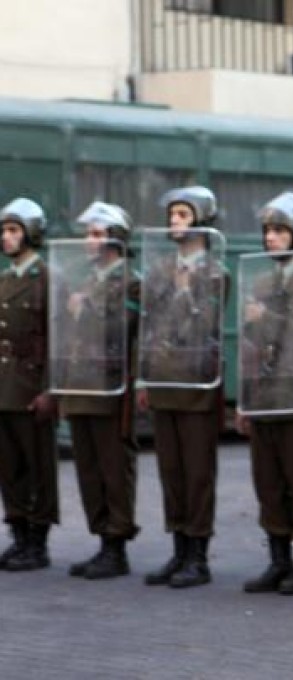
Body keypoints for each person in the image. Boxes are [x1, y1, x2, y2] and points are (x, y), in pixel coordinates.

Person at [137, 186, 228, 589]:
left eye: (183, 215)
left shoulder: (214, 273)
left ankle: (198, 555)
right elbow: (149, 326)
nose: (174, 221)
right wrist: (144, 376)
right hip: (163, 379)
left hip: (195, 384)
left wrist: (187, 289)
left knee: (196, 473)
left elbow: (202, 327)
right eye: (172, 214)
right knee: (170, 470)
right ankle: (178, 548)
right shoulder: (158, 271)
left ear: (201, 221)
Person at [237, 191, 293, 596]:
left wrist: (266, 318)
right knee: (268, 482)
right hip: (265, 394)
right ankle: (278, 559)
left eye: (279, 230)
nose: (271, 238)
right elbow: (250, 342)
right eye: (268, 231)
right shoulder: (261, 278)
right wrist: (244, 399)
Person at [58, 201, 140, 580]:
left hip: (109, 387)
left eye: (95, 233)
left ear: (114, 237)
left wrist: (85, 307)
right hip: (81, 385)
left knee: (112, 467)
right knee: (89, 468)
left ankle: (116, 544)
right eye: (88, 233)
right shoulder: (90, 279)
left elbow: (120, 329)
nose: (88, 241)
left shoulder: (129, 280)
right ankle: (101, 538)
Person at [0, 198, 57, 571]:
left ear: (32, 233)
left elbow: (57, 337)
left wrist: (50, 388)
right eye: (3, 231)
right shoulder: (5, 279)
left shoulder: (49, 279)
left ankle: (38, 542)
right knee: (9, 466)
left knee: (38, 465)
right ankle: (18, 534)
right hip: (5, 384)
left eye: (14, 230)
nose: (6, 238)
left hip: (32, 385)